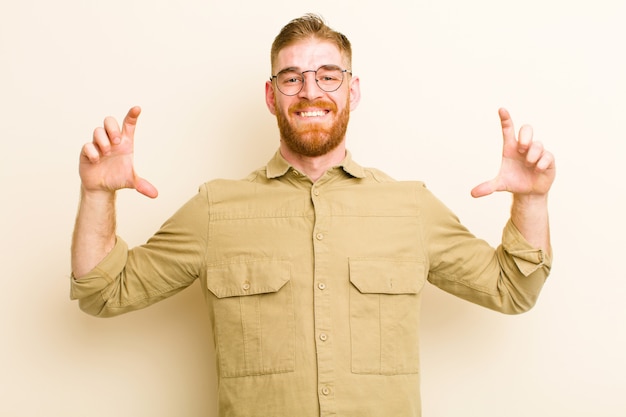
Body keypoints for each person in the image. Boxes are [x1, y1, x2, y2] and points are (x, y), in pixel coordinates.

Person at [70, 13, 555, 417]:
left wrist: (531, 200)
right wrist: (97, 195)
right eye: (292, 77)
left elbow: (513, 288)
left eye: (328, 75)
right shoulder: (216, 209)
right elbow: (102, 292)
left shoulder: (410, 207)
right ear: (271, 95)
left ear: (353, 90)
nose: (310, 90)